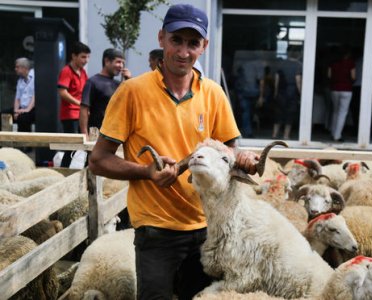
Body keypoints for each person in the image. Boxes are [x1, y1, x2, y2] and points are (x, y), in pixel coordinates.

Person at [88, 4, 259, 300]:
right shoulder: (132, 92)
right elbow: (98, 160)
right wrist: (145, 172)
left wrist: (242, 159)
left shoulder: (214, 94)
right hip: (156, 231)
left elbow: (229, 149)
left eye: (192, 43)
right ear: (161, 38)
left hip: (207, 229)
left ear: (203, 47)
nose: (183, 52)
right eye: (176, 40)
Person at [79, 48, 131, 138]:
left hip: (115, 134)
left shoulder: (119, 84)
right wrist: (84, 134)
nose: (121, 66)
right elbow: (84, 108)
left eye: (123, 63)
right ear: (107, 61)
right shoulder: (93, 82)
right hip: (96, 134)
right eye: (118, 62)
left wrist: (129, 80)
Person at [57, 41, 91, 167]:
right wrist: (80, 104)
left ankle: (86, 170)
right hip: (70, 115)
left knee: (87, 144)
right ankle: (64, 170)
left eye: (88, 57)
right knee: (71, 147)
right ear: (74, 56)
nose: (86, 60)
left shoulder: (82, 72)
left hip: (82, 114)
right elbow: (62, 92)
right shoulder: (67, 71)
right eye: (83, 57)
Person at [272, 45, 302, 140]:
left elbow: (276, 79)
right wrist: (301, 94)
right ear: (298, 54)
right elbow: (298, 81)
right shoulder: (298, 65)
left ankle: (274, 134)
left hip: (281, 92)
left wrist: (275, 92)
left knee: (278, 113)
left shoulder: (281, 63)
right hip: (292, 92)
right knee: (290, 114)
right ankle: (286, 135)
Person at [328, 45, 355, 142]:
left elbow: (329, 75)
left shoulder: (333, 63)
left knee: (335, 111)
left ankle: (332, 132)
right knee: (342, 113)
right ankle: (337, 135)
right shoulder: (350, 63)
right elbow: (353, 76)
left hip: (335, 89)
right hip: (346, 89)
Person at [13, 57, 36, 134]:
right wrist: (16, 110)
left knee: (23, 118)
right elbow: (17, 98)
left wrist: (27, 109)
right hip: (21, 108)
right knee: (3, 113)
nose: (15, 69)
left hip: (32, 108)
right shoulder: (20, 80)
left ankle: (25, 144)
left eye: (17, 67)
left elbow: (35, 96)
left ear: (24, 68)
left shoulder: (35, 77)